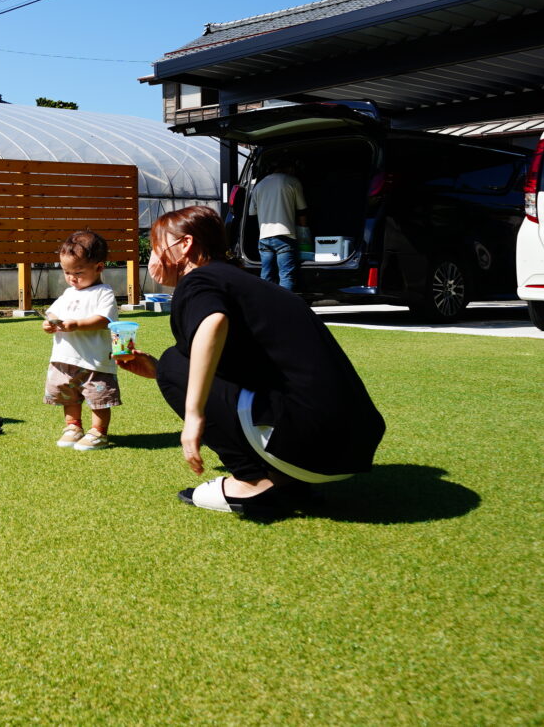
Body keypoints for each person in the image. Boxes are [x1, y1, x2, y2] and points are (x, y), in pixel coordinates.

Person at [118, 205, 385, 517]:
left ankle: (249, 480)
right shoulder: (248, 283)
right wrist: (159, 371)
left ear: (185, 246)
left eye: (155, 247)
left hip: (311, 441)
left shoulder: (199, 280)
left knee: (174, 360)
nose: (151, 257)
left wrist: (193, 416)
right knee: (172, 365)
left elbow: (213, 322)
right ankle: (287, 481)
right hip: (351, 446)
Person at [43, 230, 121, 451]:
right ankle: (73, 426)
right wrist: (48, 324)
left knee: (98, 396)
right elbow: (52, 314)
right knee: (68, 394)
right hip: (64, 357)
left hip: (94, 359)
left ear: (99, 267)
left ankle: (98, 432)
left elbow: (104, 319)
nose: (72, 278)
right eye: (67, 272)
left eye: (78, 272)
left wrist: (76, 324)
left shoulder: (103, 293)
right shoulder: (68, 294)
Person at [248, 158, 308, 291]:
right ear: (290, 168)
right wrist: (304, 232)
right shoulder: (292, 181)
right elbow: (302, 210)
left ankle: (265, 307)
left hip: (264, 237)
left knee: (266, 275)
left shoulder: (259, 185)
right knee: (286, 276)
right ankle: (285, 309)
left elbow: (252, 213)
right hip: (285, 236)